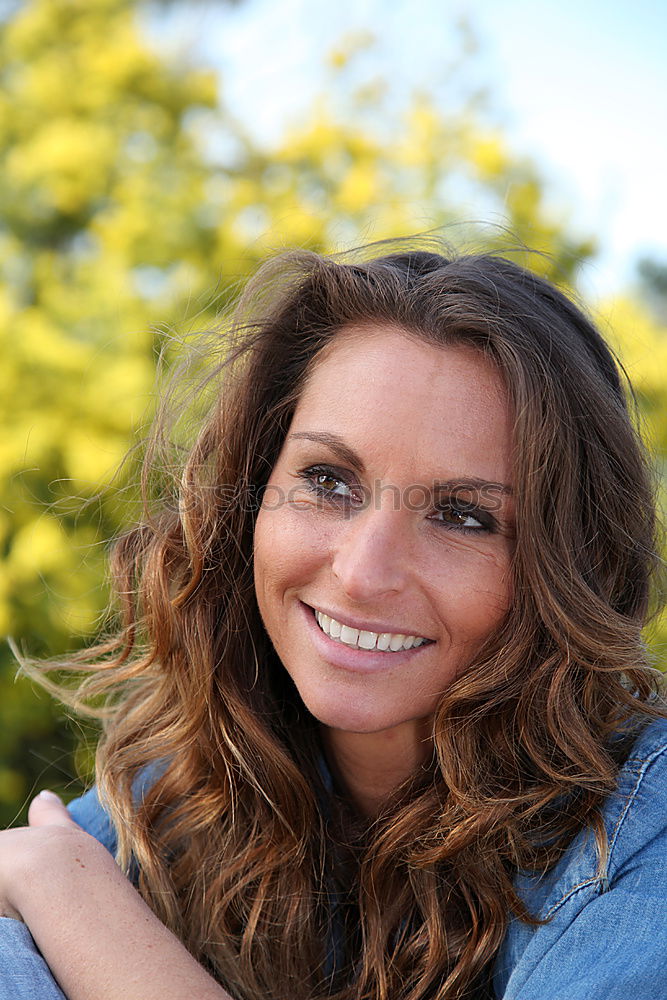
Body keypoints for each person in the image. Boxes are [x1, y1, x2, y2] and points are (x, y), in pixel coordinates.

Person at [1, 246, 666, 1000]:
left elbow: (44, 879)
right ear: (252, 492)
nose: (361, 572)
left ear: (567, 567)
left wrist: (66, 894)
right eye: (326, 481)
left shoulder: (643, 825)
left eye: (462, 516)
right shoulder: (187, 789)